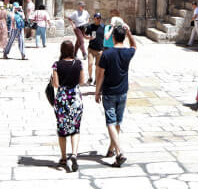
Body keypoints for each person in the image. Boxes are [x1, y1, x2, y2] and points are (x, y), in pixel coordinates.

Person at [95, 24, 137, 167]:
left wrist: (97, 92)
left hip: (109, 92)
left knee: (110, 122)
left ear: (113, 38)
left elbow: (100, 75)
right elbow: (134, 46)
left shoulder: (106, 54)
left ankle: (119, 152)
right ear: (124, 37)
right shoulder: (128, 53)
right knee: (117, 122)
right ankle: (111, 148)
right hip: (122, 92)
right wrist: (130, 33)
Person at [52, 39, 86, 172]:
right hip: (76, 99)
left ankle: (64, 157)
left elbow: (56, 84)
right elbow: (82, 81)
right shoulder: (78, 63)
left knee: (62, 129)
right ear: (72, 50)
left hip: (62, 100)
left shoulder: (56, 65)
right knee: (75, 128)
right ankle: (74, 154)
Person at [85, 13, 104, 85]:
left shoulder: (103, 27)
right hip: (91, 49)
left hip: (100, 50)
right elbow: (85, 35)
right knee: (90, 64)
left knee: (97, 67)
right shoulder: (90, 27)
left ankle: (96, 79)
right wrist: (89, 38)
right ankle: (90, 78)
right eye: (97, 18)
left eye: (100, 18)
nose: (99, 19)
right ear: (94, 19)